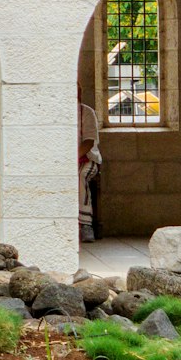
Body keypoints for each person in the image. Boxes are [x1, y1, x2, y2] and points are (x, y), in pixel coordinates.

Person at [78, 82, 102, 243]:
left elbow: (88, 142)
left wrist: (71, 160)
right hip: (61, 161)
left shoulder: (87, 112)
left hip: (87, 159)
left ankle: (86, 224)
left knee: (79, 176)